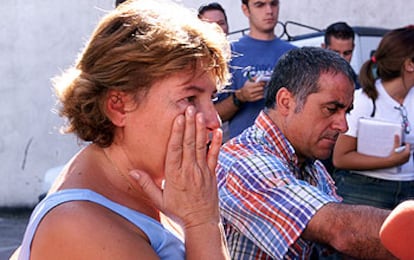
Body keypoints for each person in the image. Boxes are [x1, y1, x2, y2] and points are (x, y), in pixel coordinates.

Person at [12, 0, 231, 259]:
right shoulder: (80, 225)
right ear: (118, 106)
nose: (213, 120)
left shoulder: (144, 189)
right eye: (190, 99)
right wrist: (201, 222)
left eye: (212, 98)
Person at [216, 47, 396, 259]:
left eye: (346, 112)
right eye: (331, 109)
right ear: (286, 101)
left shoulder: (313, 167)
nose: (343, 125)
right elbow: (343, 231)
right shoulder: (245, 162)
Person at [332, 26, 414, 210]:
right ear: (409, 64)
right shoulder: (363, 100)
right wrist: (390, 161)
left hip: (409, 191)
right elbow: (340, 158)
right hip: (365, 189)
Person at [214, 0, 296, 139]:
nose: (269, 11)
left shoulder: (294, 54)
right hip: (243, 153)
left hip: (285, 150)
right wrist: (240, 96)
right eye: (260, 5)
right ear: (246, 10)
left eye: (273, 4)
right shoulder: (231, 53)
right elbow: (215, 115)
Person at [320, 21, 360, 175]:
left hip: (345, 168)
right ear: (324, 48)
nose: (341, 59)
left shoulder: (361, 87)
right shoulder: (309, 84)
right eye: (335, 53)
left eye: (347, 53)